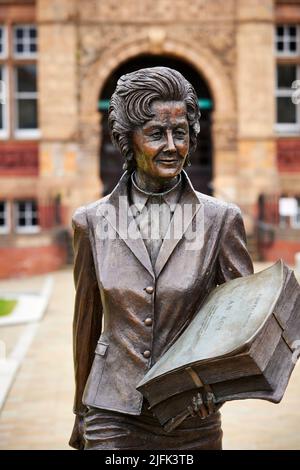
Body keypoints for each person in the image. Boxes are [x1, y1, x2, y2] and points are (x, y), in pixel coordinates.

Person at [69, 67, 253, 450]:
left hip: (191, 412)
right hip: (111, 408)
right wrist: (79, 412)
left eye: (181, 132)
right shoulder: (90, 222)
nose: (172, 146)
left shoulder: (220, 220)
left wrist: (214, 385)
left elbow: (242, 320)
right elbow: (86, 322)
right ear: (127, 140)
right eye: (156, 133)